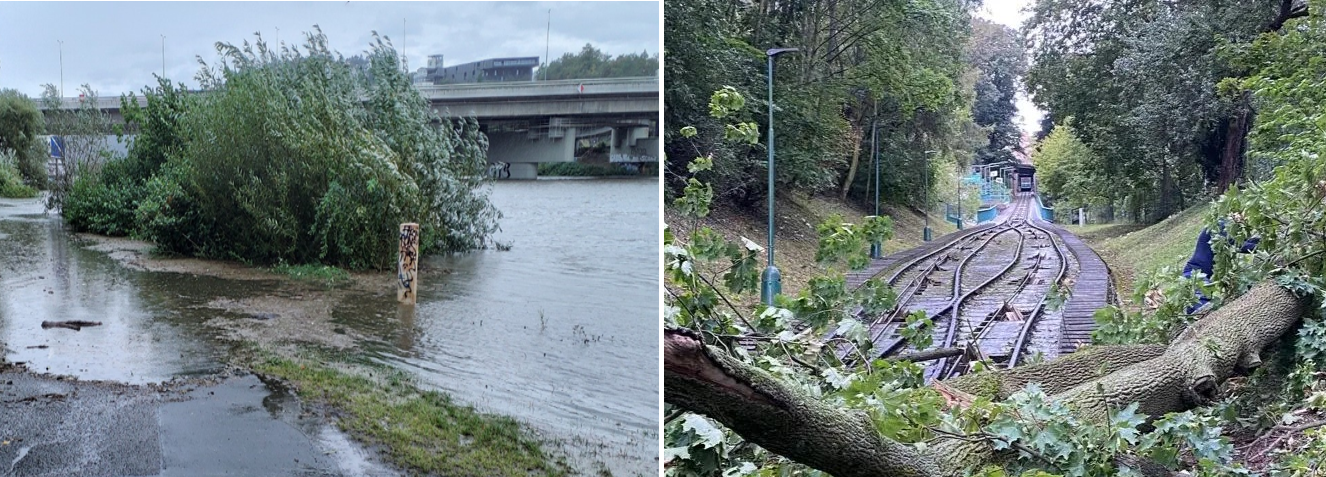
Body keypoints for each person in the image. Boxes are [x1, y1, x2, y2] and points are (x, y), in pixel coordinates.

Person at [1182, 219, 1258, 313]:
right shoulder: (1220, 224)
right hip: (1193, 274)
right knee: (1202, 309)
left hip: (1197, 274)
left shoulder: (1225, 226)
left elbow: (1245, 241)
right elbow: (1238, 245)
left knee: (1198, 304)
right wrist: (1259, 247)